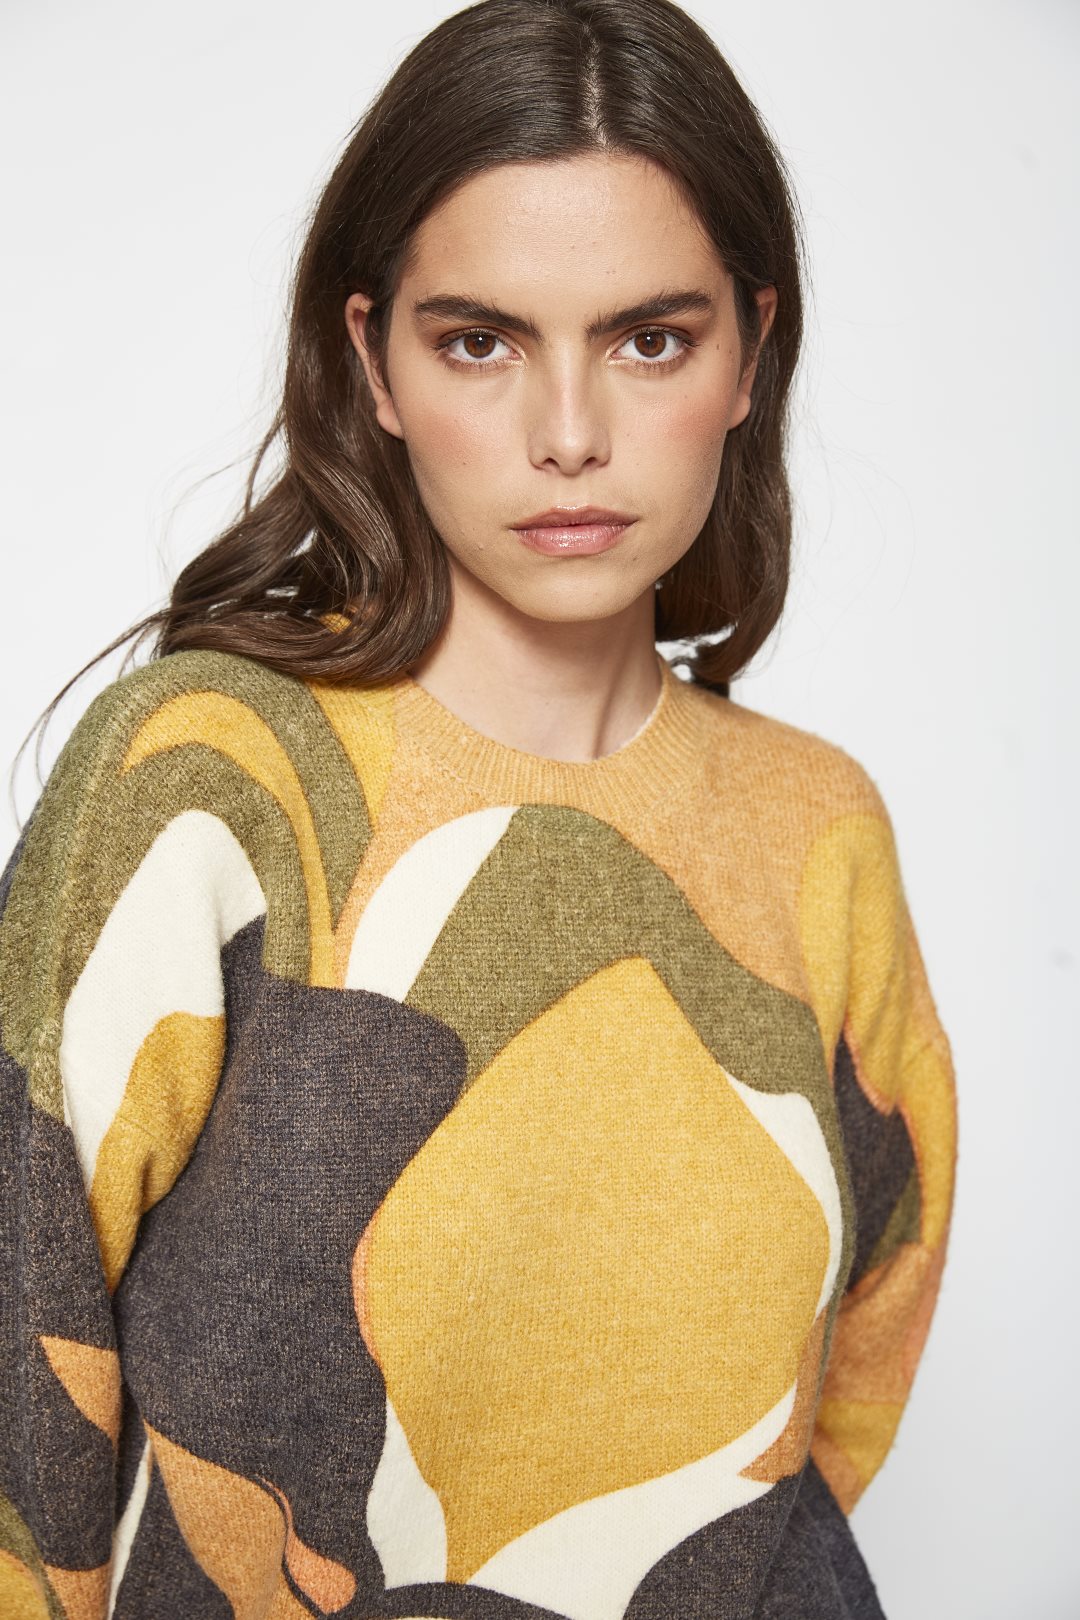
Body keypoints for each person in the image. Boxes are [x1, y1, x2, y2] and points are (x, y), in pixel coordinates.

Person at [0, 1, 958, 1615]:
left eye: (649, 340)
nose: (568, 436)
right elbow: (22, 1332)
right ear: (371, 359)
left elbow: (852, 1371)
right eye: (480, 342)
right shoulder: (207, 780)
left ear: (749, 352)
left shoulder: (817, 827)